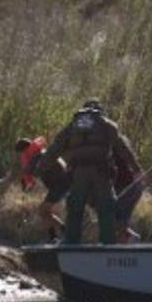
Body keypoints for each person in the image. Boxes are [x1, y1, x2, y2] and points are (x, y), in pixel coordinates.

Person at [41, 100, 139, 245]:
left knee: (75, 207)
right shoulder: (106, 124)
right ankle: (107, 243)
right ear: (99, 110)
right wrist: (136, 168)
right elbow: (122, 147)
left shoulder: (72, 126)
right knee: (106, 207)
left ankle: (70, 241)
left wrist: (41, 167)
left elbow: (55, 148)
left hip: (78, 173)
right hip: (101, 172)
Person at [17, 136, 71, 241]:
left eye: (21, 153)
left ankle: (62, 233)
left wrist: (24, 181)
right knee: (44, 211)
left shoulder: (37, 156)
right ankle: (57, 234)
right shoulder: (43, 152)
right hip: (62, 185)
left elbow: (31, 172)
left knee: (43, 211)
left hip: (60, 186)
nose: (22, 156)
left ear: (24, 150)